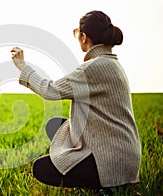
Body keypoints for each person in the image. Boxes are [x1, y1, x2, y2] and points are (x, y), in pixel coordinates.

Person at [10, 10, 141, 191]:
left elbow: (50, 91)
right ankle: (96, 180)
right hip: (124, 154)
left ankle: (103, 187)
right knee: (55, 125)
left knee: (41, 169)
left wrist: (22, 66)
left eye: (77, 33)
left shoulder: (95, 67)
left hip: (112, 161)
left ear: (84, 37)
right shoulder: (112, 63)